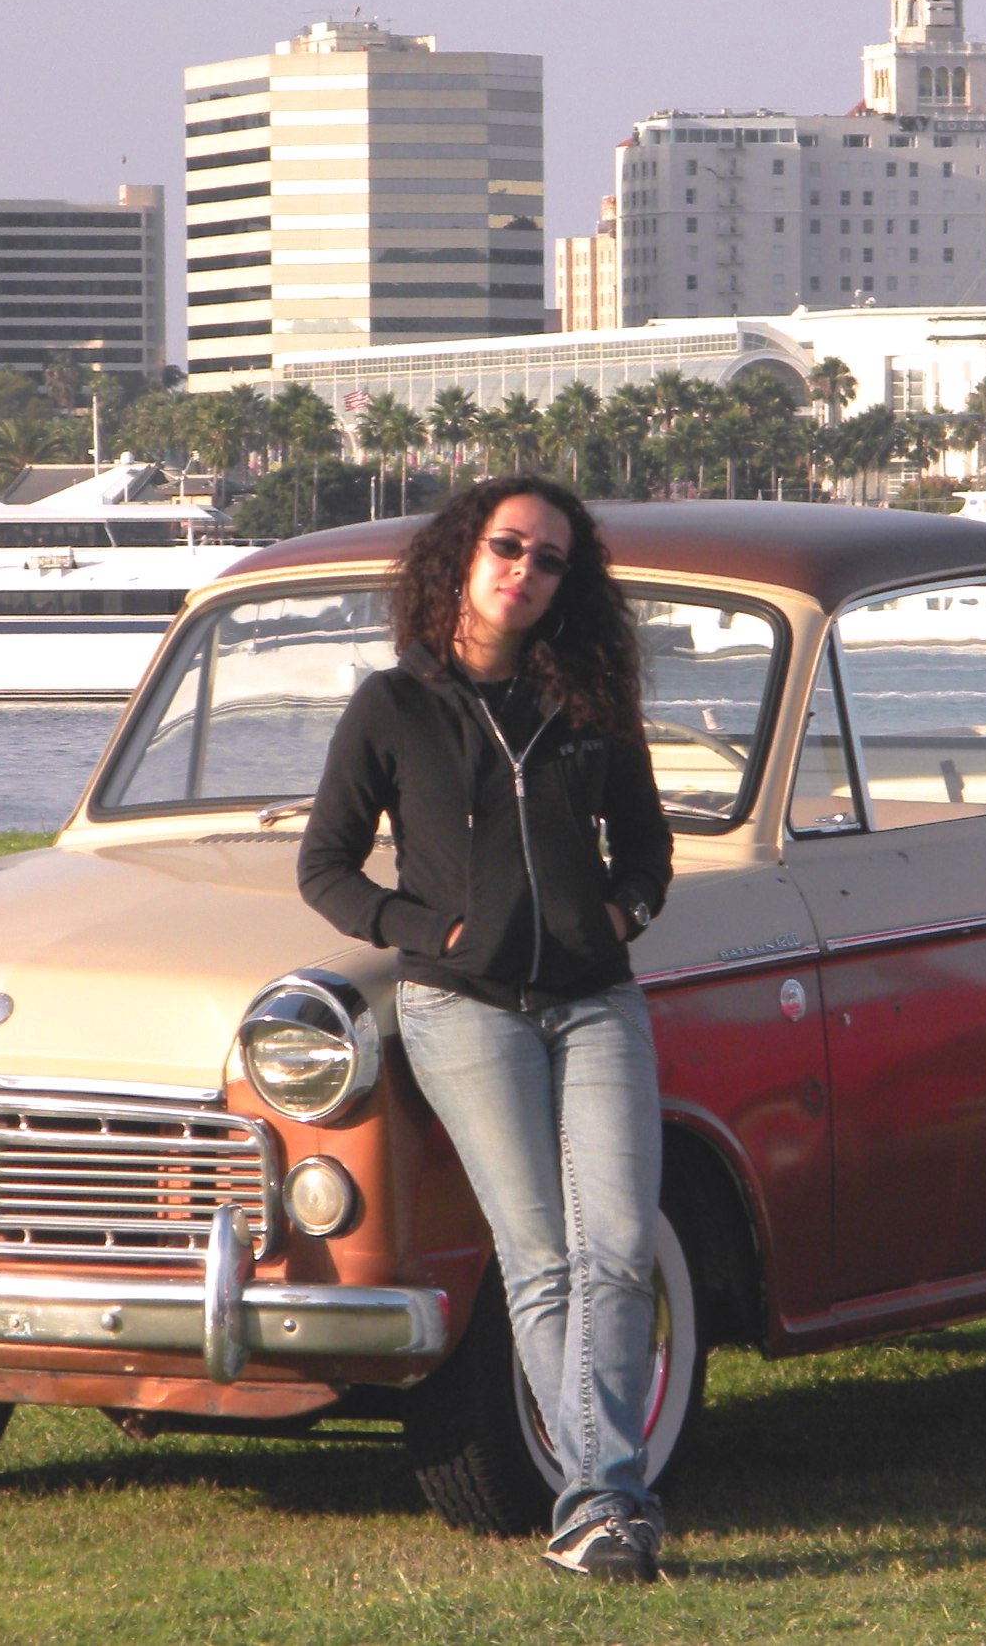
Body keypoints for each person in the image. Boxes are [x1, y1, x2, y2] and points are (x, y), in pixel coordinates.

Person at [298, 476, 674, 1583]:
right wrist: (428, 929)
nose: (524, 570)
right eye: (507, 546)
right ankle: (605, 1501)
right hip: (459, 1009)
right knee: (540, 1257)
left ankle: (596, 1498)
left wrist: (620, 912)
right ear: (462, 556)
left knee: (617, 1247)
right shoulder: (392, 704)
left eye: (549, 559)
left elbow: (647, 849)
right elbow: (324, 862)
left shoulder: (587, 699)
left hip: (595, 999)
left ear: (568, 584)